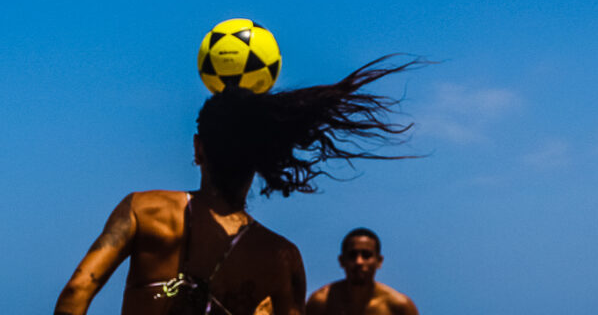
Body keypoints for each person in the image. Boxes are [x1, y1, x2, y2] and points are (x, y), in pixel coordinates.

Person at [55, 57, 421, 315]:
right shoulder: (281, 257)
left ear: (198, 149)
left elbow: (76, 291)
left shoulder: (143, 210)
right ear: (260, 162)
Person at [306, 228, 418, 315]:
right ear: (342, 260)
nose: (359, 261)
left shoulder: (398, 307)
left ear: (379, 261)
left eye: (366, 255)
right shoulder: (321, 303)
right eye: (352, 255)